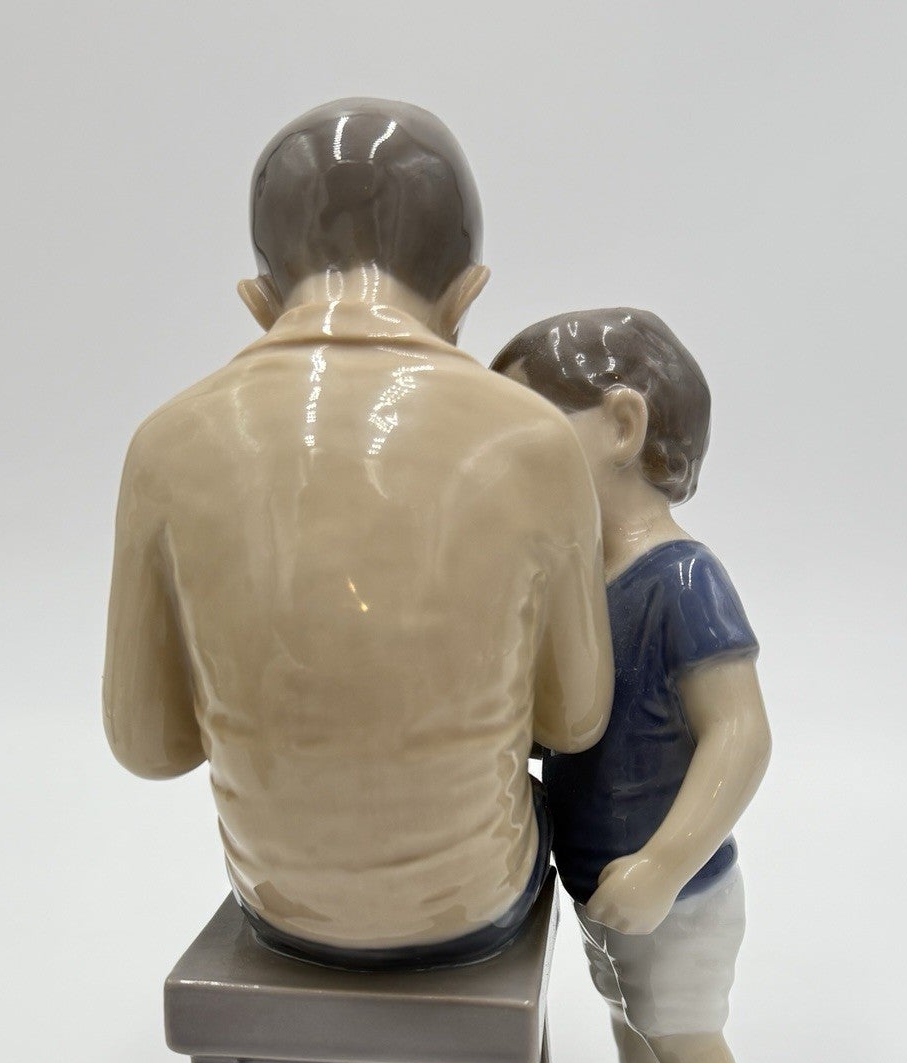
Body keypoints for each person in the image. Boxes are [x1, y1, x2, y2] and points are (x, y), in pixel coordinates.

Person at [103, 101, 611, 968]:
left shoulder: (164, 443)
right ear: (466, 293)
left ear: (258, 302)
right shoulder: (535, 440)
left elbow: (148, 747)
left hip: (279, 902)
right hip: (475, 903)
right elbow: (574, 720)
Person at [492, 308, 772, 1063]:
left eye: (525, 424)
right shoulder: (578, 573)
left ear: (620, 424)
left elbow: (741, 734)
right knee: (626, 1000)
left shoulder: (682, 577)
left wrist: (662, 864)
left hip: (676, 885)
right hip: (598, 867)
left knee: (685, 1030)